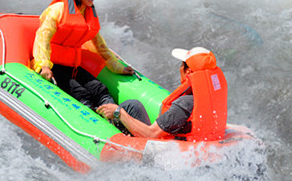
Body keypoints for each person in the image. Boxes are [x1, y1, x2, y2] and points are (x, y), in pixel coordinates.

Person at [31, 0, 134, 110]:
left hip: (73, 67)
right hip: (52, 67)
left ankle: (117, 121)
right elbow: (42, 38)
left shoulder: (87, 13)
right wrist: (44, 65)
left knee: (100, 90)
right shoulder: (58, 10)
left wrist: (117, 67)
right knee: (81, 94)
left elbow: (100, 45)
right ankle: (98, 127)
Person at [97, 47, 228, 142]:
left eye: (182, 65)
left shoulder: (184, 104)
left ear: (188, 71)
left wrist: (118, 112)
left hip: (162, 151)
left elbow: (151, 134)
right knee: (134, 106)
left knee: (130, 106)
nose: (180, 69)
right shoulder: (213, 100)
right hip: (191, 145)